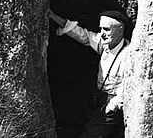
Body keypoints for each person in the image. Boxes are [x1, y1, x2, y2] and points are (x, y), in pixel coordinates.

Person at [48, 8, 130, 138]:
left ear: (120, 29)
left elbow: (128, 87)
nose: (102, 33)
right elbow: (83, 35)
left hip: (113, 105)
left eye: (107, 29)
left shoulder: (129, 55)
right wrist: (54, 17)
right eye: (101, 29)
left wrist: (112, 106)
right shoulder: (105, 43)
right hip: (98, 97)